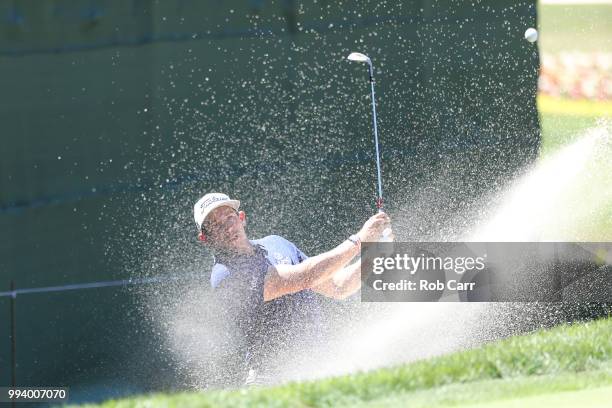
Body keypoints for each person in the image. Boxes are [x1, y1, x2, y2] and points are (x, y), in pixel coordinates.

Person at [193, 192, 390, 385]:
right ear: (205, 239)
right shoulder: (226, 275)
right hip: (269, 380)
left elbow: (339, 286)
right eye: (215, 226)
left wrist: (377, 254)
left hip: (317, 369)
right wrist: (360, 240)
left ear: (241, 218)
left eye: (230, 218)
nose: (227, 228)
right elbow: (305, 276)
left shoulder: (276, 243)